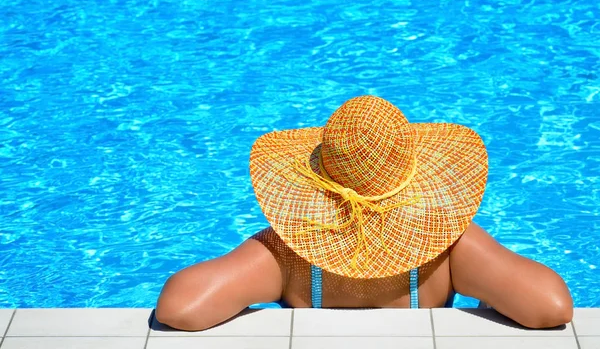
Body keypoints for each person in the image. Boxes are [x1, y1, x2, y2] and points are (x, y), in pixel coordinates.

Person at [155, 95, 573, 331]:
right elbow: (551, 306)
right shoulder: (448, 248)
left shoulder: (287, 254)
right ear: (415, 173)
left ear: (317, 179)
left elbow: (180, 307)